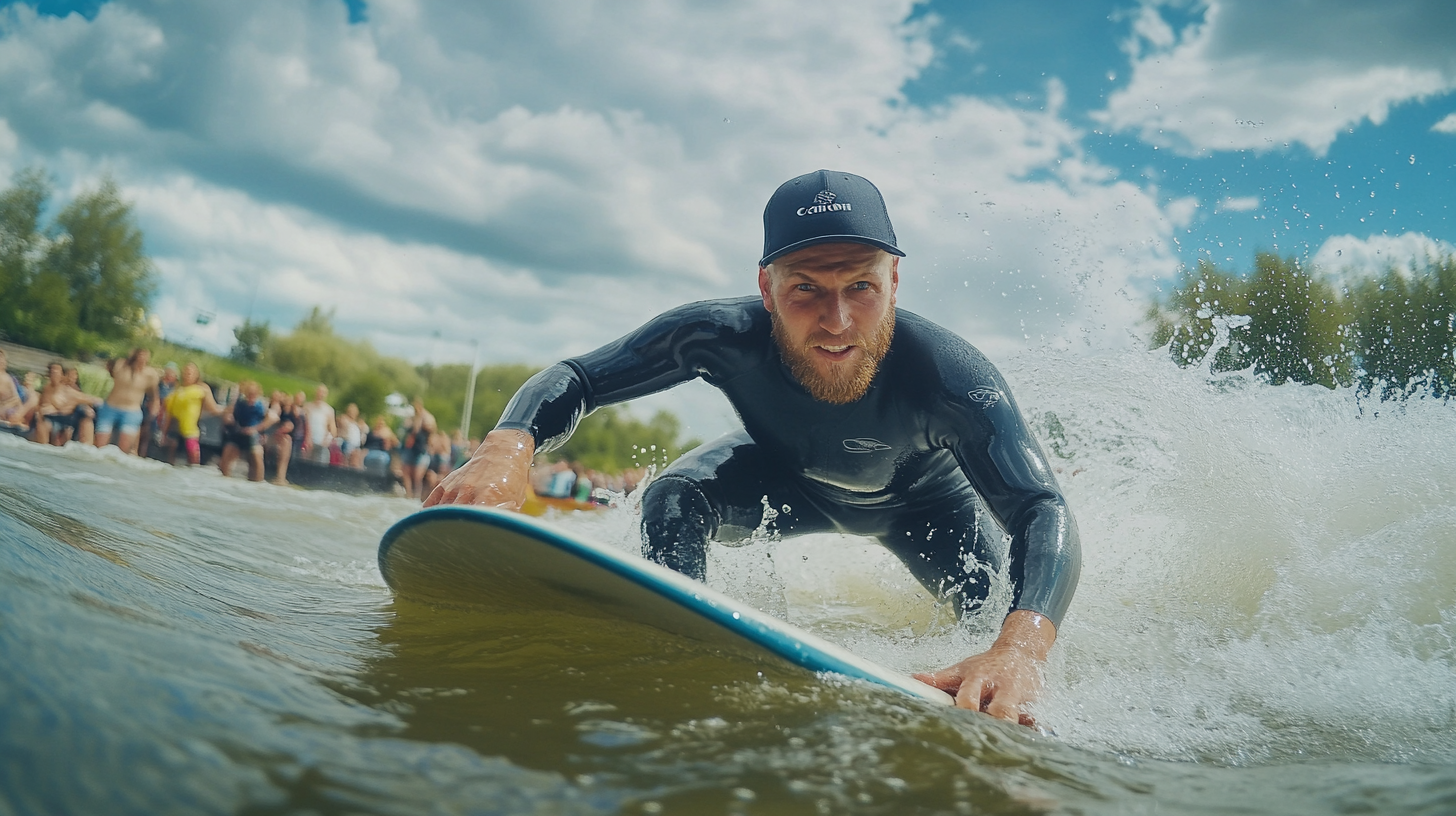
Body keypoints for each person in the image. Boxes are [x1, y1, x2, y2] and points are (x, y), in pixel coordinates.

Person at [427, 169, 1080, 725]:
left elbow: (1039, 508)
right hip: (787, 481)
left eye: (861, 286)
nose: (837, 321)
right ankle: (680, 639)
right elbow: (579, 377)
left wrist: (1020, 648)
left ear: (895, 282)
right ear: (766, 289)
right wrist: (507, 449)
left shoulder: (951, 379)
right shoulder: (719, 335)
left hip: (929, 513)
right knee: (674, 498)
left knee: (1002, 624)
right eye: (806, 289)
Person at [94, 348, 162, 455]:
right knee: (99, 446)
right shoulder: (121, 366)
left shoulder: (150, 375)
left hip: (131, 411)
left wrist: (154, 409)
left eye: (145, 356)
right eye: (140, 355)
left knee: (123, 450)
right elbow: (110, 365)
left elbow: (154, 395)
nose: (142, 358)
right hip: (111, 407)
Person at [162, 362, 224, 466]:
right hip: (175, 426)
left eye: (190, 372)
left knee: (193, 456)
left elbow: (213, 408)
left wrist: (227, 410)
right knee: (171, 454)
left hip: (191, 429)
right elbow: (169, 414)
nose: (187, 374)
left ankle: (193, 473)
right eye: (185, 372)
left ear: (196, 375)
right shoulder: (177, 389)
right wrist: (164, 433)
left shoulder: (202, 388)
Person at [219, 380, 275, 482]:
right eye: (249, 393)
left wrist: (255, 429)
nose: (251, 396)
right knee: (227, 452)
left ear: (257, 393)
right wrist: (228, 418)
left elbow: (272, 419)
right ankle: (224, 478)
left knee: (257, 456)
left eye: (253, 394)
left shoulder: (261, 405)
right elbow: (229, 413)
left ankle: (258, 481)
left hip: (253, 435)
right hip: (239, 432)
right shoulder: (240, 403)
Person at [35, 362, 100, 445]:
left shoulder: (68, 391)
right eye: (52, 372)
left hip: (66, 420)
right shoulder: (46, 389)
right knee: (42, 423)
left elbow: (92, 400)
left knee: (71, 428)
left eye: (56, 372)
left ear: (62, 376)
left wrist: (87, 407)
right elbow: (40, 405)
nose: (54, 374)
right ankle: (43, 445)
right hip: (48, 419)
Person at [139, 362, 179, 460]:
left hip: (166, 416)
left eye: (172, 374)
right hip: (153, 413)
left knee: (171, 441)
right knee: (146, 433)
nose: (169, 376)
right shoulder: (158, 385)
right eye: (168, 373)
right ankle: (140, 455)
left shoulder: (176, 389)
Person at [401, 397, 435, 499]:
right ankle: (409, 494)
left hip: (421, 449)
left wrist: (420, 418)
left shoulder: (427, 418)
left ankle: (416, 496)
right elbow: (407, 428)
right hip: (410, 448)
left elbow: (431, 430)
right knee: (406, 473)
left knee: (417, 476)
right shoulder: (411, 418)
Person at [270, 391, 301, 486]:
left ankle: (281, 477)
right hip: (280, 435)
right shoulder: (281, 410)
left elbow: (293, 425)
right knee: (283, 453)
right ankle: (279, 476)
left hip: (288, 436)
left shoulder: (293, 411)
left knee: (285, 456)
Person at [302, 385, 337, 465]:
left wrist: (327, 440)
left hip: (321, 443)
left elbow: (333, 430)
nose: (321, 394)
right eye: (319, 391)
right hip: (307, 441)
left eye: (323, 392)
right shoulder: (307, 407)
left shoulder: (329, 410)